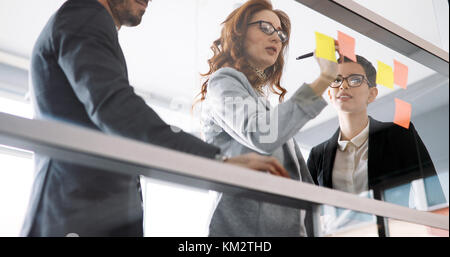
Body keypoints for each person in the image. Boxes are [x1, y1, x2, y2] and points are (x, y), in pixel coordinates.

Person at [22, 0, 289, 237]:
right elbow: (117, 109)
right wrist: (218, 162)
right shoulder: (85, 16)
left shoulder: (87, 21)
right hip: (74, 215)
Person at [196, 0, 338, 236]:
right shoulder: (222, 82)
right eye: (265, 27)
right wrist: (324, 79)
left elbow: (304, 188)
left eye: (280, 34)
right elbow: (262, 133)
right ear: (239, 34)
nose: (276, 38)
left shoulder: (265, 105)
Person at [307, 55, 436, 197]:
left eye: (355, 79)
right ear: (330, 95)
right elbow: (309, 210)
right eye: (337, 80)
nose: (343, 85)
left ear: (372, 94)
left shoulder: (399, 135)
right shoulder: (317, 155)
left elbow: (433, 194)